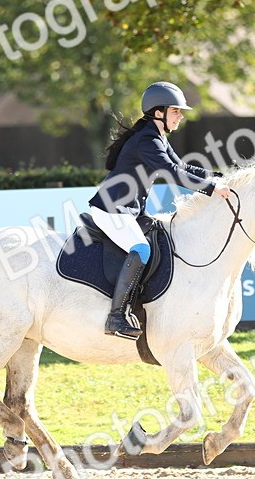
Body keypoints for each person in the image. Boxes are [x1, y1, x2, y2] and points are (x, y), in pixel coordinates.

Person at [88, 82, 231, 339]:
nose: (181, 116)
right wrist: (211, 187)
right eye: (176, 111)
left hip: (129, 209)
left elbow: (182, 166)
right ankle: (116, 317)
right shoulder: (146, 140)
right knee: (141, 249)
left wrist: (218, 178)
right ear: (158, 112)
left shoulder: (156, 136)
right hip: (111, 210)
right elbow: (171, 173)